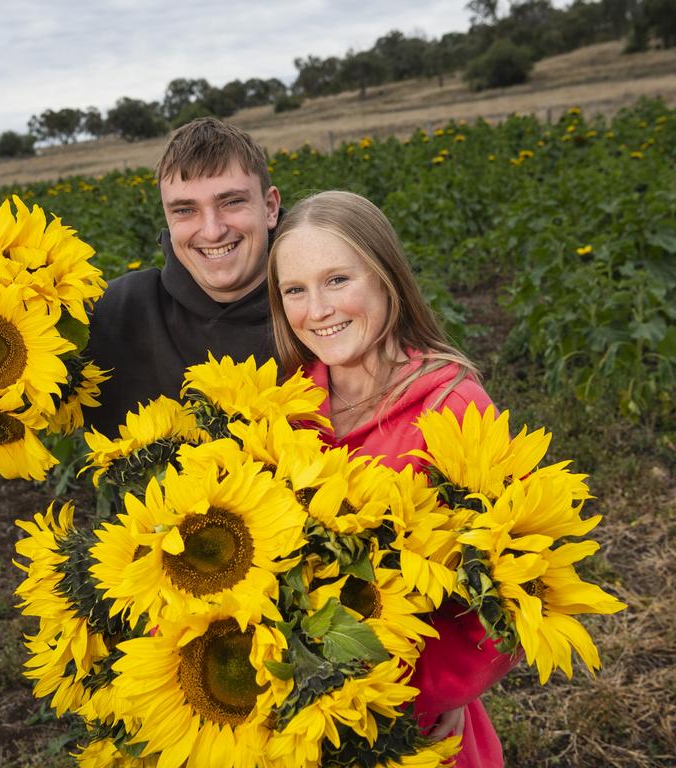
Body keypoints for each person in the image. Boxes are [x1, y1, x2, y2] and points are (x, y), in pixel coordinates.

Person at [267, 190, 516, 768]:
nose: (318, 309)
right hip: (304, 721)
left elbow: (514, 582)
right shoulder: (280, 412)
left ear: (387, 279)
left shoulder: (453, 407)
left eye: (337, 279)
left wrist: (440, 692)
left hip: (413, 730)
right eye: (295, 290)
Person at [83, 117, 281, 436]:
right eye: (185, 210)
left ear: (270, 208)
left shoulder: (322, 312)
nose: (213, 230)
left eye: (231, 202)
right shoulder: (114, 313)